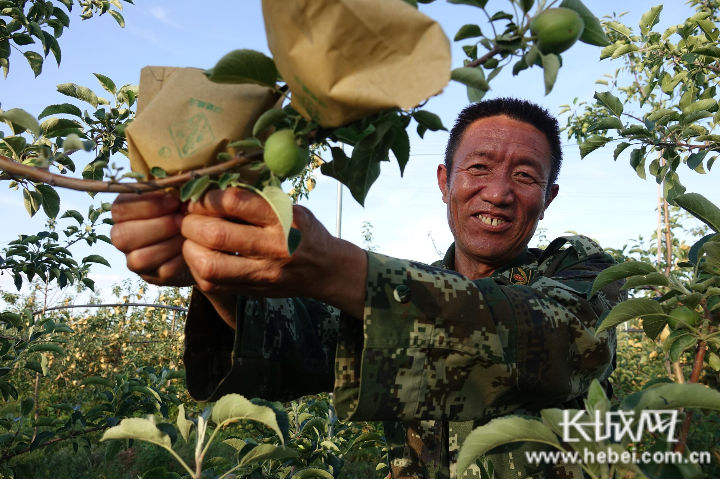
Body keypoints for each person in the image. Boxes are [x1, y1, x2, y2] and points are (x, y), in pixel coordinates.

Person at [110, 98, 623, 479]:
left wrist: (332, 263)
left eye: (526, 175)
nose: (498, 192)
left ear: (548, 196)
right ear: (444, 181)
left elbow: (554, 338)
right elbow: (299, 339)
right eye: (479, 167)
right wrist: (213, 268)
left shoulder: (581, 271)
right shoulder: (396, 291)